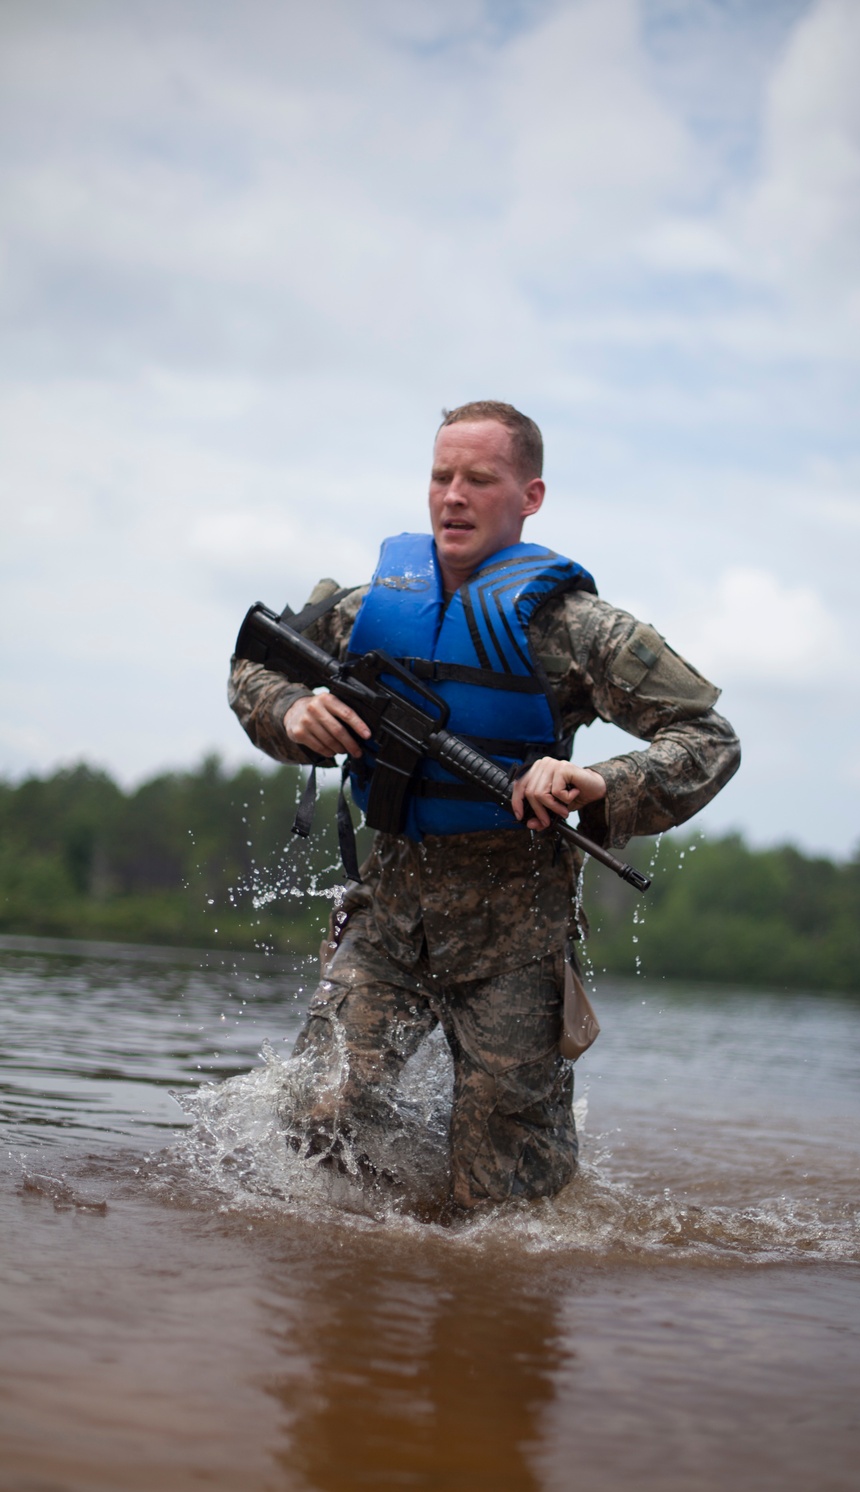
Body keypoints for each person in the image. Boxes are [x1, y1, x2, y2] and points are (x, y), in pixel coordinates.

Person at [228, 400, 740, 1213]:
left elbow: (708, 738)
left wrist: (599, 782)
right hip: (389, 916)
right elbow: (253, 662)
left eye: (479, 479)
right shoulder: (367, 606)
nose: (453, 497)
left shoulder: (578, 631)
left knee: (505, 1202)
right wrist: (289, 714)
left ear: (529, 496)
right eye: (441, 477)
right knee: (316, 1119)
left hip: (517, 937)